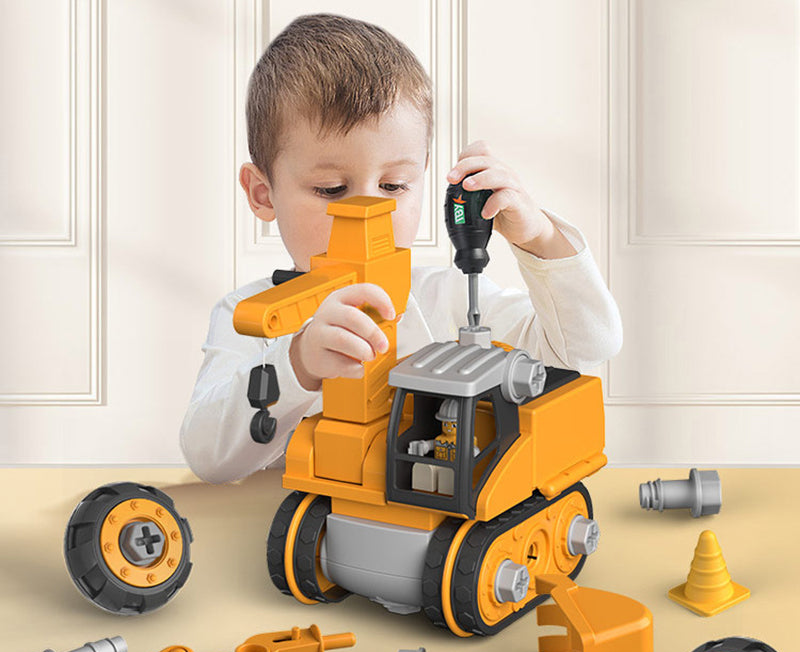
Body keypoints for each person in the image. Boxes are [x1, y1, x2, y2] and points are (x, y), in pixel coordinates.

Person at [180, 13, 622, 484]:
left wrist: (540, 238)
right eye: (331, 189)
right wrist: (298, 365)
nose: (369, 210)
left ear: (424, 175)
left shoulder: (445, 299)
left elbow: (584, 346)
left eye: (393, 185)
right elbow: (207, 457)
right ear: (263, 194)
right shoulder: (250, 318)